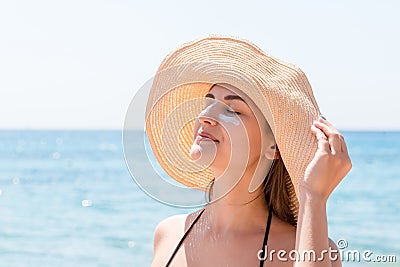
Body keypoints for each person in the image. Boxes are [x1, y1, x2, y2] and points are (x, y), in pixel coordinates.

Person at [145, 35, 352, 266]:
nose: (205, 117)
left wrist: (313, 197)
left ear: (273, 146)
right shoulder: (168, 235)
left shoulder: (304, 249)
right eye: (207, 104)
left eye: (232, 110)